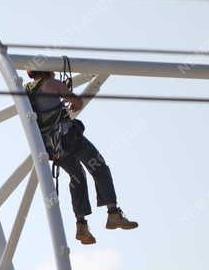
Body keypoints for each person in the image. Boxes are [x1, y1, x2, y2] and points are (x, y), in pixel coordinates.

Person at [25, 70, 138, 245]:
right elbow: (77, 102)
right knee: (99, 167)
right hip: (70, 138)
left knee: (77, 178)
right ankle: (113, 213)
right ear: (48, 71)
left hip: (54, 148)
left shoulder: (27, 91)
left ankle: (81, 226)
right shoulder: (52, 84)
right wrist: (68, 99)